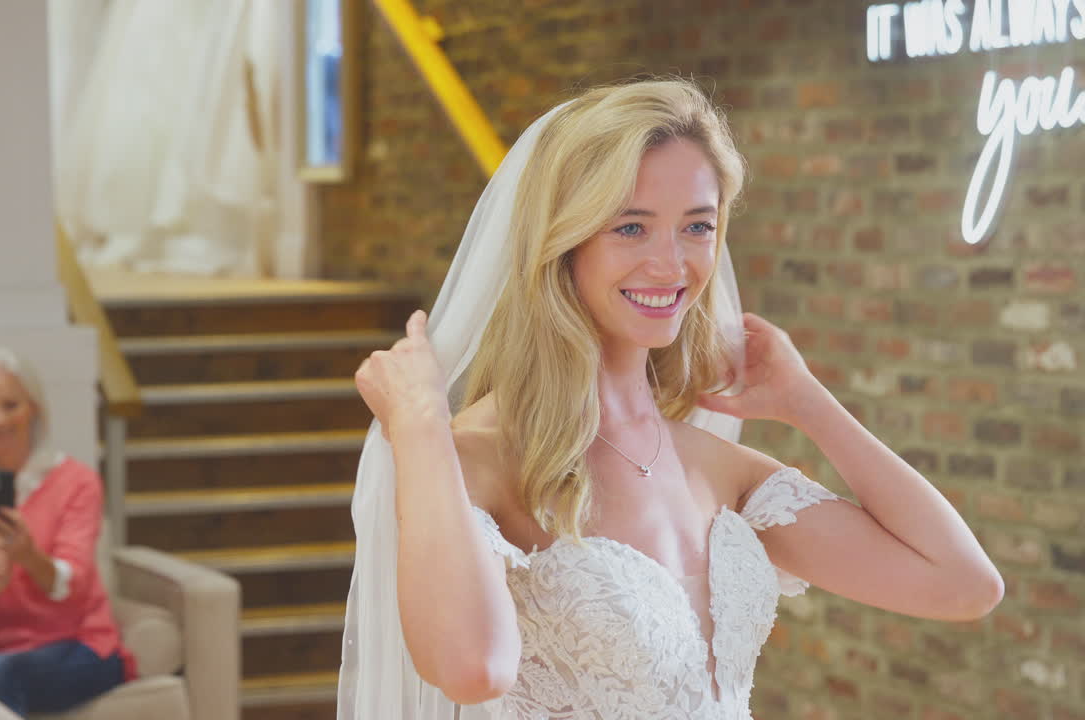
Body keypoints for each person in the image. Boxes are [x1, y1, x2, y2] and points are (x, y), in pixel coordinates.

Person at [337, 79, 1004, 719]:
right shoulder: (474, 459)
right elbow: (471, 667)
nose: (671, 264)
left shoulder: (720, 470)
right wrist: (420, 426)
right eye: (630, 228)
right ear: (561, 243)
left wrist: (807, 402)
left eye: (696, 226)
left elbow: (963, 585)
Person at [0, 347, 134, 716]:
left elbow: (75, 583)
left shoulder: (76, 482)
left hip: (80, 647)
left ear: (34, 408)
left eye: (11, 405)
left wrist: (29, 556)